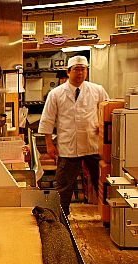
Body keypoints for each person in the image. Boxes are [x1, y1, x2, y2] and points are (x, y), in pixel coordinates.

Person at [38, 55, 109, 217]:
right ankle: (62, 218)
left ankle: (108, 216)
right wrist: (49, 144)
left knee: (103, 181)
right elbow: (48, 120)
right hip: (68, 147)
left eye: (83, 69)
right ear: (68, 72)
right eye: (76, 69)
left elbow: (107, 112)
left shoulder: (97, 90)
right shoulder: (56, 93)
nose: (80, 73)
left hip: (93, 145)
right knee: (64, 186)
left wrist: (103, 132)